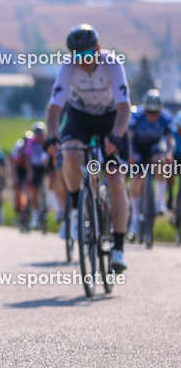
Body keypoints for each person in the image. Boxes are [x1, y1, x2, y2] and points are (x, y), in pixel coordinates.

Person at [44, 24, 130, 272]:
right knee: (69, 154)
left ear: (98, 49)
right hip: (80, 116)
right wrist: (52, 136)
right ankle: (74, 208)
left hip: (110, 117)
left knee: (115, 177)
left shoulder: (113, 64)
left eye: (86, 54)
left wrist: (116, 136)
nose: (82, 60)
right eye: (76, 55)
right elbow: (55, 109)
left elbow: (124, 109)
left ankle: (119, 247)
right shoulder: (67, 67)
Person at [126, 89, 174, 239]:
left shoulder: (166, 118)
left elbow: (170, 139)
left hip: (153, 149)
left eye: (155, 113)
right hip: (138, 149)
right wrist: (130, 154)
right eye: (149, 112)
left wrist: (170, 153)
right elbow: (129, 137)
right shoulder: (136, 116)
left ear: (160, 110)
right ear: (144, 108)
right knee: (137, 178)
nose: (152, 116)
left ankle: (159, 203)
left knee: (162, 161)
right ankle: (134, 218)